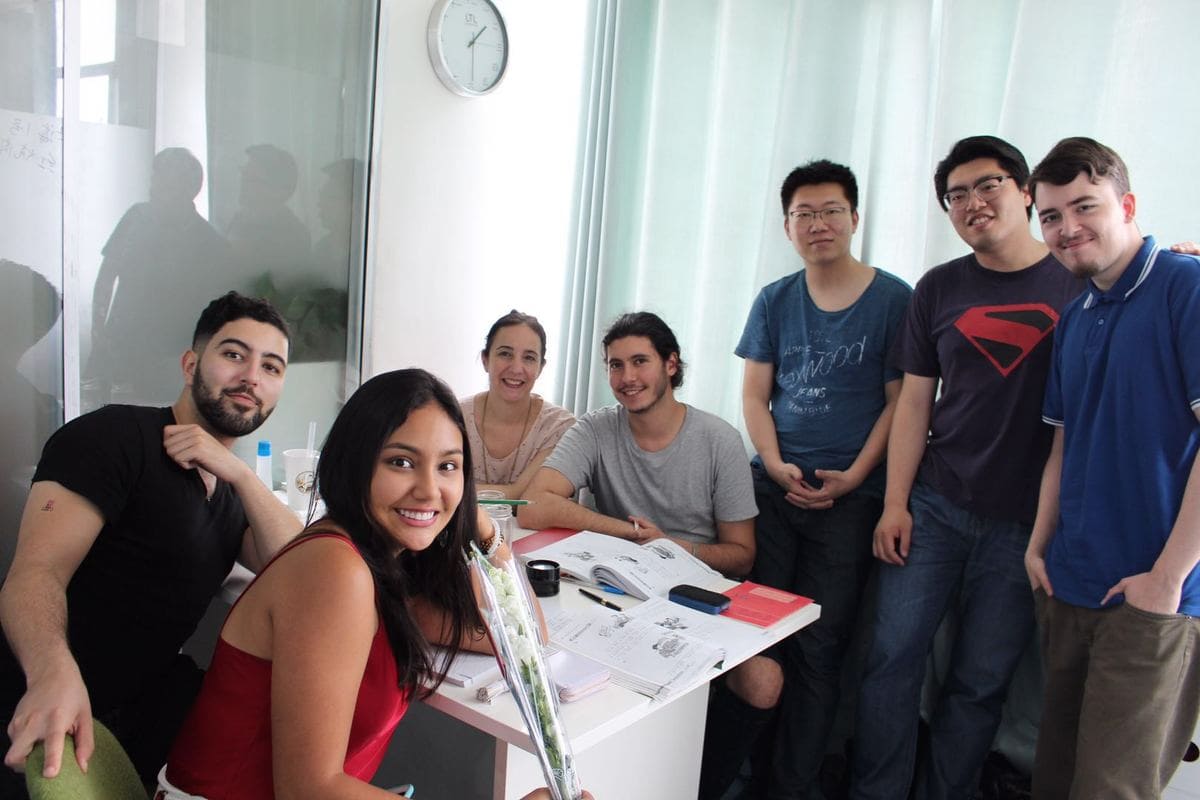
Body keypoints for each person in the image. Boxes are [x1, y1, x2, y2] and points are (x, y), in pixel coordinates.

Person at [158, 369, 586, 800]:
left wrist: (484, 530)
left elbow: (524, 634)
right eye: (401, 462)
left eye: (448, 467)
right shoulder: (335, 569)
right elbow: (308, 789)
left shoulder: (390, 568)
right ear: (356, 463)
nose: (428, 489)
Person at [850, 136, 1086, 800]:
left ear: (1025, 191)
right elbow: (915, 402)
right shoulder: (940, 288)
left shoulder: (1078, 281)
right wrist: (895, 503)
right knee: (891, 661)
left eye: (988, 186)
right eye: (957, 195)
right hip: (936, 506)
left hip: (1024, 526)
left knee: (980, 682)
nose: (973, 203)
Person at [0, 292, 302, 794]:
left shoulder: (229, 492)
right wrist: (52, 671)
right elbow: (35, 572)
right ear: (190, 365)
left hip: (145, 708)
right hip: (40, 699)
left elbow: (298, 565)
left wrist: (241, 476)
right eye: (233, 354)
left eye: (271, 367)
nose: (252, 376)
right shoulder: (115, 438)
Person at [703, 160, 911, 799]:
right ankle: (739, 772)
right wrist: (770, 463)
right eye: (803, 215)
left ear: (855, 218)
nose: (818, 224)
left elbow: (900, 403)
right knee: (755, 636)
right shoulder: (775, 299)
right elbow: (755, 395)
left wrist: (854, 478)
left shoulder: (894, 300)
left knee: (821, 651)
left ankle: (788, 787)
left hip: (851, 503)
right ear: (787, 225)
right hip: (774, 492)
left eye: (830, 211)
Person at [1025, 137, 1200, 798]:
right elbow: (1064, 443)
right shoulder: (1075, 318)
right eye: (1050, 215)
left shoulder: (1186, 288)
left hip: (1151, 594)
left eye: (1085, 207)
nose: (1068, 228)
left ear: (1126, 205)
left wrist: (1168, 576)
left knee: (1112, 787)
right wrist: (1039, 546)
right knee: (1056, 777)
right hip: (1071, 582)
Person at [520, 311, 757, 578]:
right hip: (618, 580)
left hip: (695, 585)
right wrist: (629, 531)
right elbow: (532, 506)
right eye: (616, 365)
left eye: (640, 361)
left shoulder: (721, 441)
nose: (627, 377)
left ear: (671, 364)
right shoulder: (595, 429)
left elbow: (742, 556)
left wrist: (669, 547)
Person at [460, 310, 575, 497]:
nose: (516, 368)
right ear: (485, 360)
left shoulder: (558, 427)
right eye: (505, 354)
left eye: (529, 358)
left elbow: (527, 495)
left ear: (540, 368)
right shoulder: (454, 416)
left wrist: (458, 490)